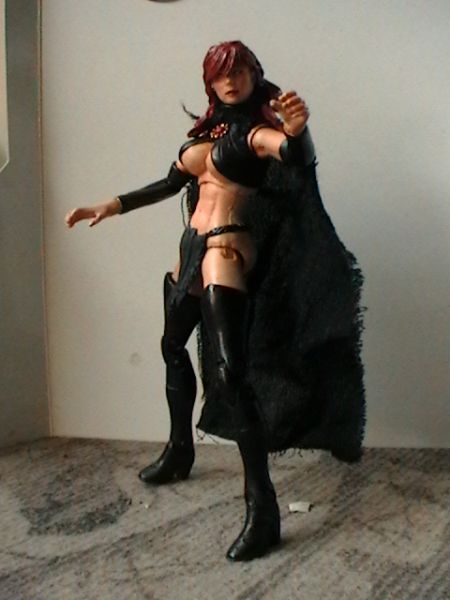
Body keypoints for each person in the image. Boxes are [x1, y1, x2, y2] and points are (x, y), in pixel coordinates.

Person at [66, 41, 365, 562]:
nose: (231, 80)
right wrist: (111, 205)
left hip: (227, 248)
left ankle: (263, 508)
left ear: (254, 75)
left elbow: (293, 155)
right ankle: (179, 450)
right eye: (221, 74)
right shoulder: (205, 137)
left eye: (240, 71)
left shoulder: (255, 135)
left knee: (230, 374)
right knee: (171, 347)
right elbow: (169, 183)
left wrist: (299, 131)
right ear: (209, 82)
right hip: (191, 248)